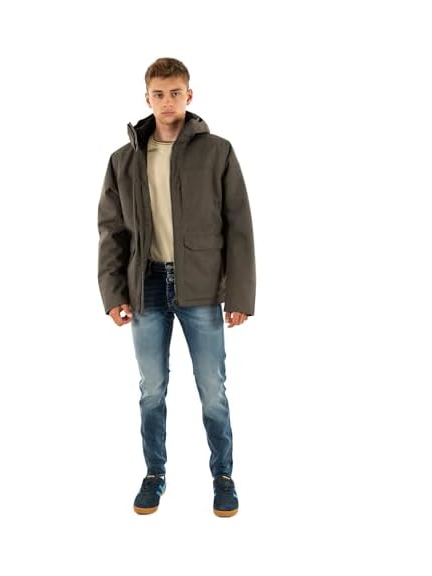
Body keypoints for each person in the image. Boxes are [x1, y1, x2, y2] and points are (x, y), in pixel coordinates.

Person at [97, 57, 255, 518]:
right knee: (151, 390)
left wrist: (239, 295)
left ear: (189, 95)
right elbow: (111, 232)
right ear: (147, 98)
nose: (167, 102)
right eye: (159, 94)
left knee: (212, 390)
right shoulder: (124, 160)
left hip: (201, 288)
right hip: (145, 287)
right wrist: (113, 293)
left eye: (175, 93)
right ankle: (154, 473)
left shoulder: (218, 152)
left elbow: (239, 226)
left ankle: (222, 476)